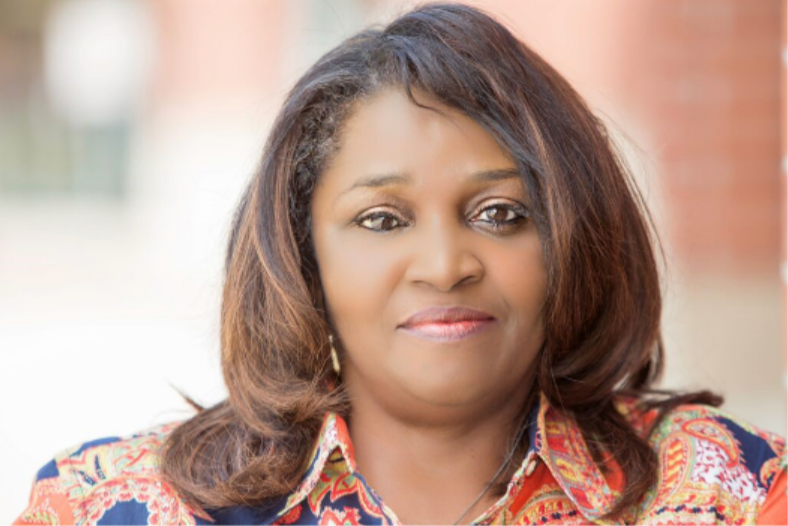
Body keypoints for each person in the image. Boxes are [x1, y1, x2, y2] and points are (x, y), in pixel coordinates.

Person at [14, 3, 786, 525]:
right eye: (381, 219)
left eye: (501, 215)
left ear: (572, 239)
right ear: (301, 251)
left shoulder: (734, 492)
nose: (446, 265)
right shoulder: (119, 506)